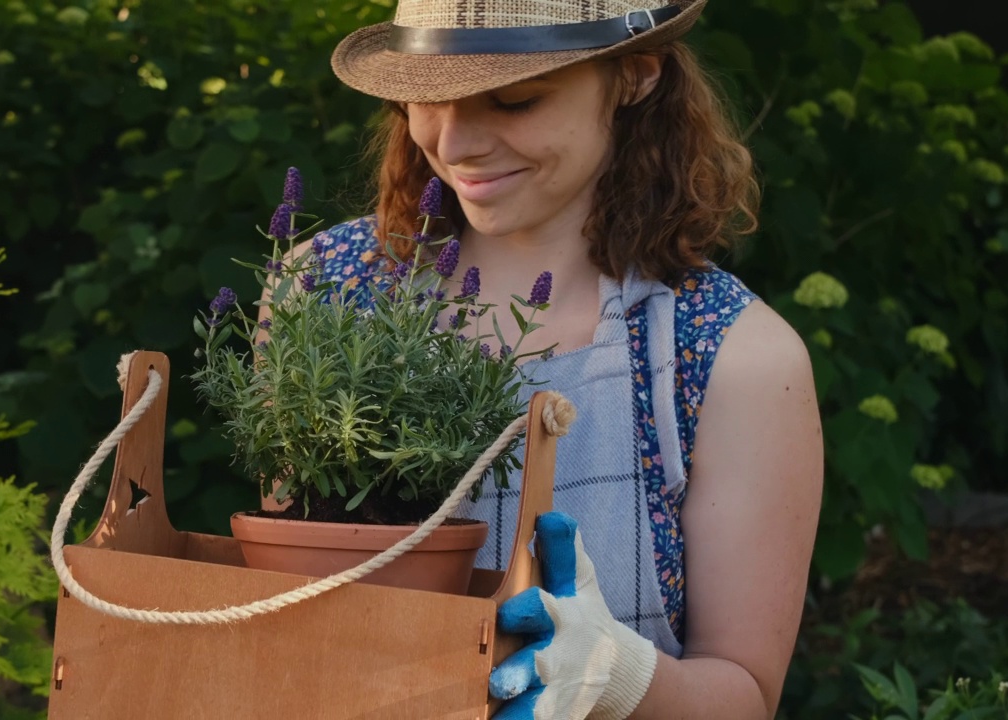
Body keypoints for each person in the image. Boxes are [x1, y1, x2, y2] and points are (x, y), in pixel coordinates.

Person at [277, 1, 823, 717]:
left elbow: (745, 696)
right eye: (427, 98)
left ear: (635, 76)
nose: (456, 141)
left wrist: (618, 674)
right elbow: (286, 590)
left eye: (514, 100)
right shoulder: (322, 289)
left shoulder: (731, 354)